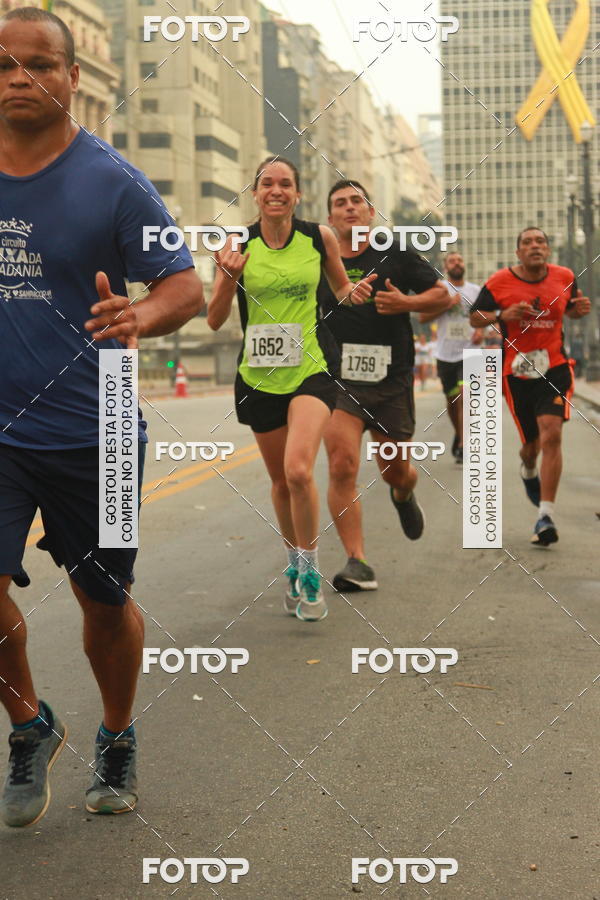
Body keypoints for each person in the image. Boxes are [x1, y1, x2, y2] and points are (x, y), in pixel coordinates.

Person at [0, 7, 204, 827]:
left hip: (102, 432)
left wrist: (140, 318)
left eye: (40, 64)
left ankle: (115, 734)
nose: (20, 78)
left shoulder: (115, 180)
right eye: (5, 64)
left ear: (74, 76)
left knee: (103, 602)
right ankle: (31, 725)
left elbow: (183, 286)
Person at [208, 158, 376, 621]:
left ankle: (311, 570)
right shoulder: (236, 243)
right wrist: (229, 278)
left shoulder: (318, 237)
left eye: (286, 184)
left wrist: (353, 293)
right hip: (258, 376)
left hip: (311, 369)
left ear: (298, 193)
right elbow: (215, 318)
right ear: (256, 193)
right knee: (281, 482)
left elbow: (339, 286)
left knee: (299, 471)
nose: (277, 190)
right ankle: (292, 564)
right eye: (267, 184)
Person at [319, 180, 451, 591]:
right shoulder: (317, 259)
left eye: (357, 201)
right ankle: (357, 561)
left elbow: (443, 295)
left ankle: (403, 494)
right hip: (339, 379)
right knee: (342, 465)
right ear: (330, 219)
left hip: (392, 381)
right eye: (340, 203)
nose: (350, 208)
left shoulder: (395, 254)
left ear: (370, 212)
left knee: (396, 472)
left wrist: (406, 304)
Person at [470, 227, 590, 545]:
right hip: (517, 373)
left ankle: (544, 515)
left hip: (556, 368)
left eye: (540, 242)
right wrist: (500, 314)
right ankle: (527, 468)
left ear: (548, 250)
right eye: (527, 243)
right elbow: (475, 318)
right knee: (531, 446)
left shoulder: (564, 276)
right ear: (518, 253)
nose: (534, 246)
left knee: (552, 434)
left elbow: (573, 309)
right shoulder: (498, 282)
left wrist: (578, 311)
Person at [419, 251, 484, 464]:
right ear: (446, 267)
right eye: (452, 261)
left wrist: (481, 330)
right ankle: (460, 434)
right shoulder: (440, 290)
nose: (457, 263)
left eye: (460, 259)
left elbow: (484, 318)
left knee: (466, 396)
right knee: (452, 398)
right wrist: (447, 304)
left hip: (470, 352)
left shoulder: (476, 291)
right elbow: (423, 317)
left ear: (465, 264)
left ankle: (465, 444)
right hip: (445, 353)